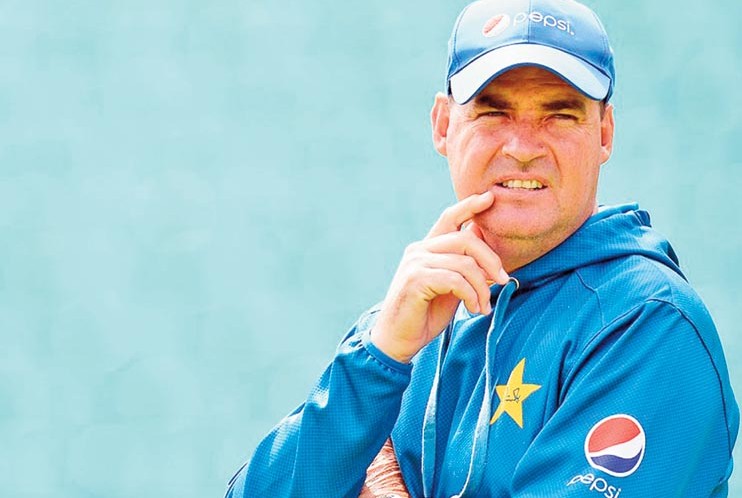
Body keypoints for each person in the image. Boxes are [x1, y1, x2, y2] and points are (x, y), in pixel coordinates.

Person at [226, 0, 739, 496]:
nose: (522, 148)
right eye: (494, 113)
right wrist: (378, 359)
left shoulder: (648, 325)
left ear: (604, 134)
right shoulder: (407, 324)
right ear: (443, 126)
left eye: (559, 116)